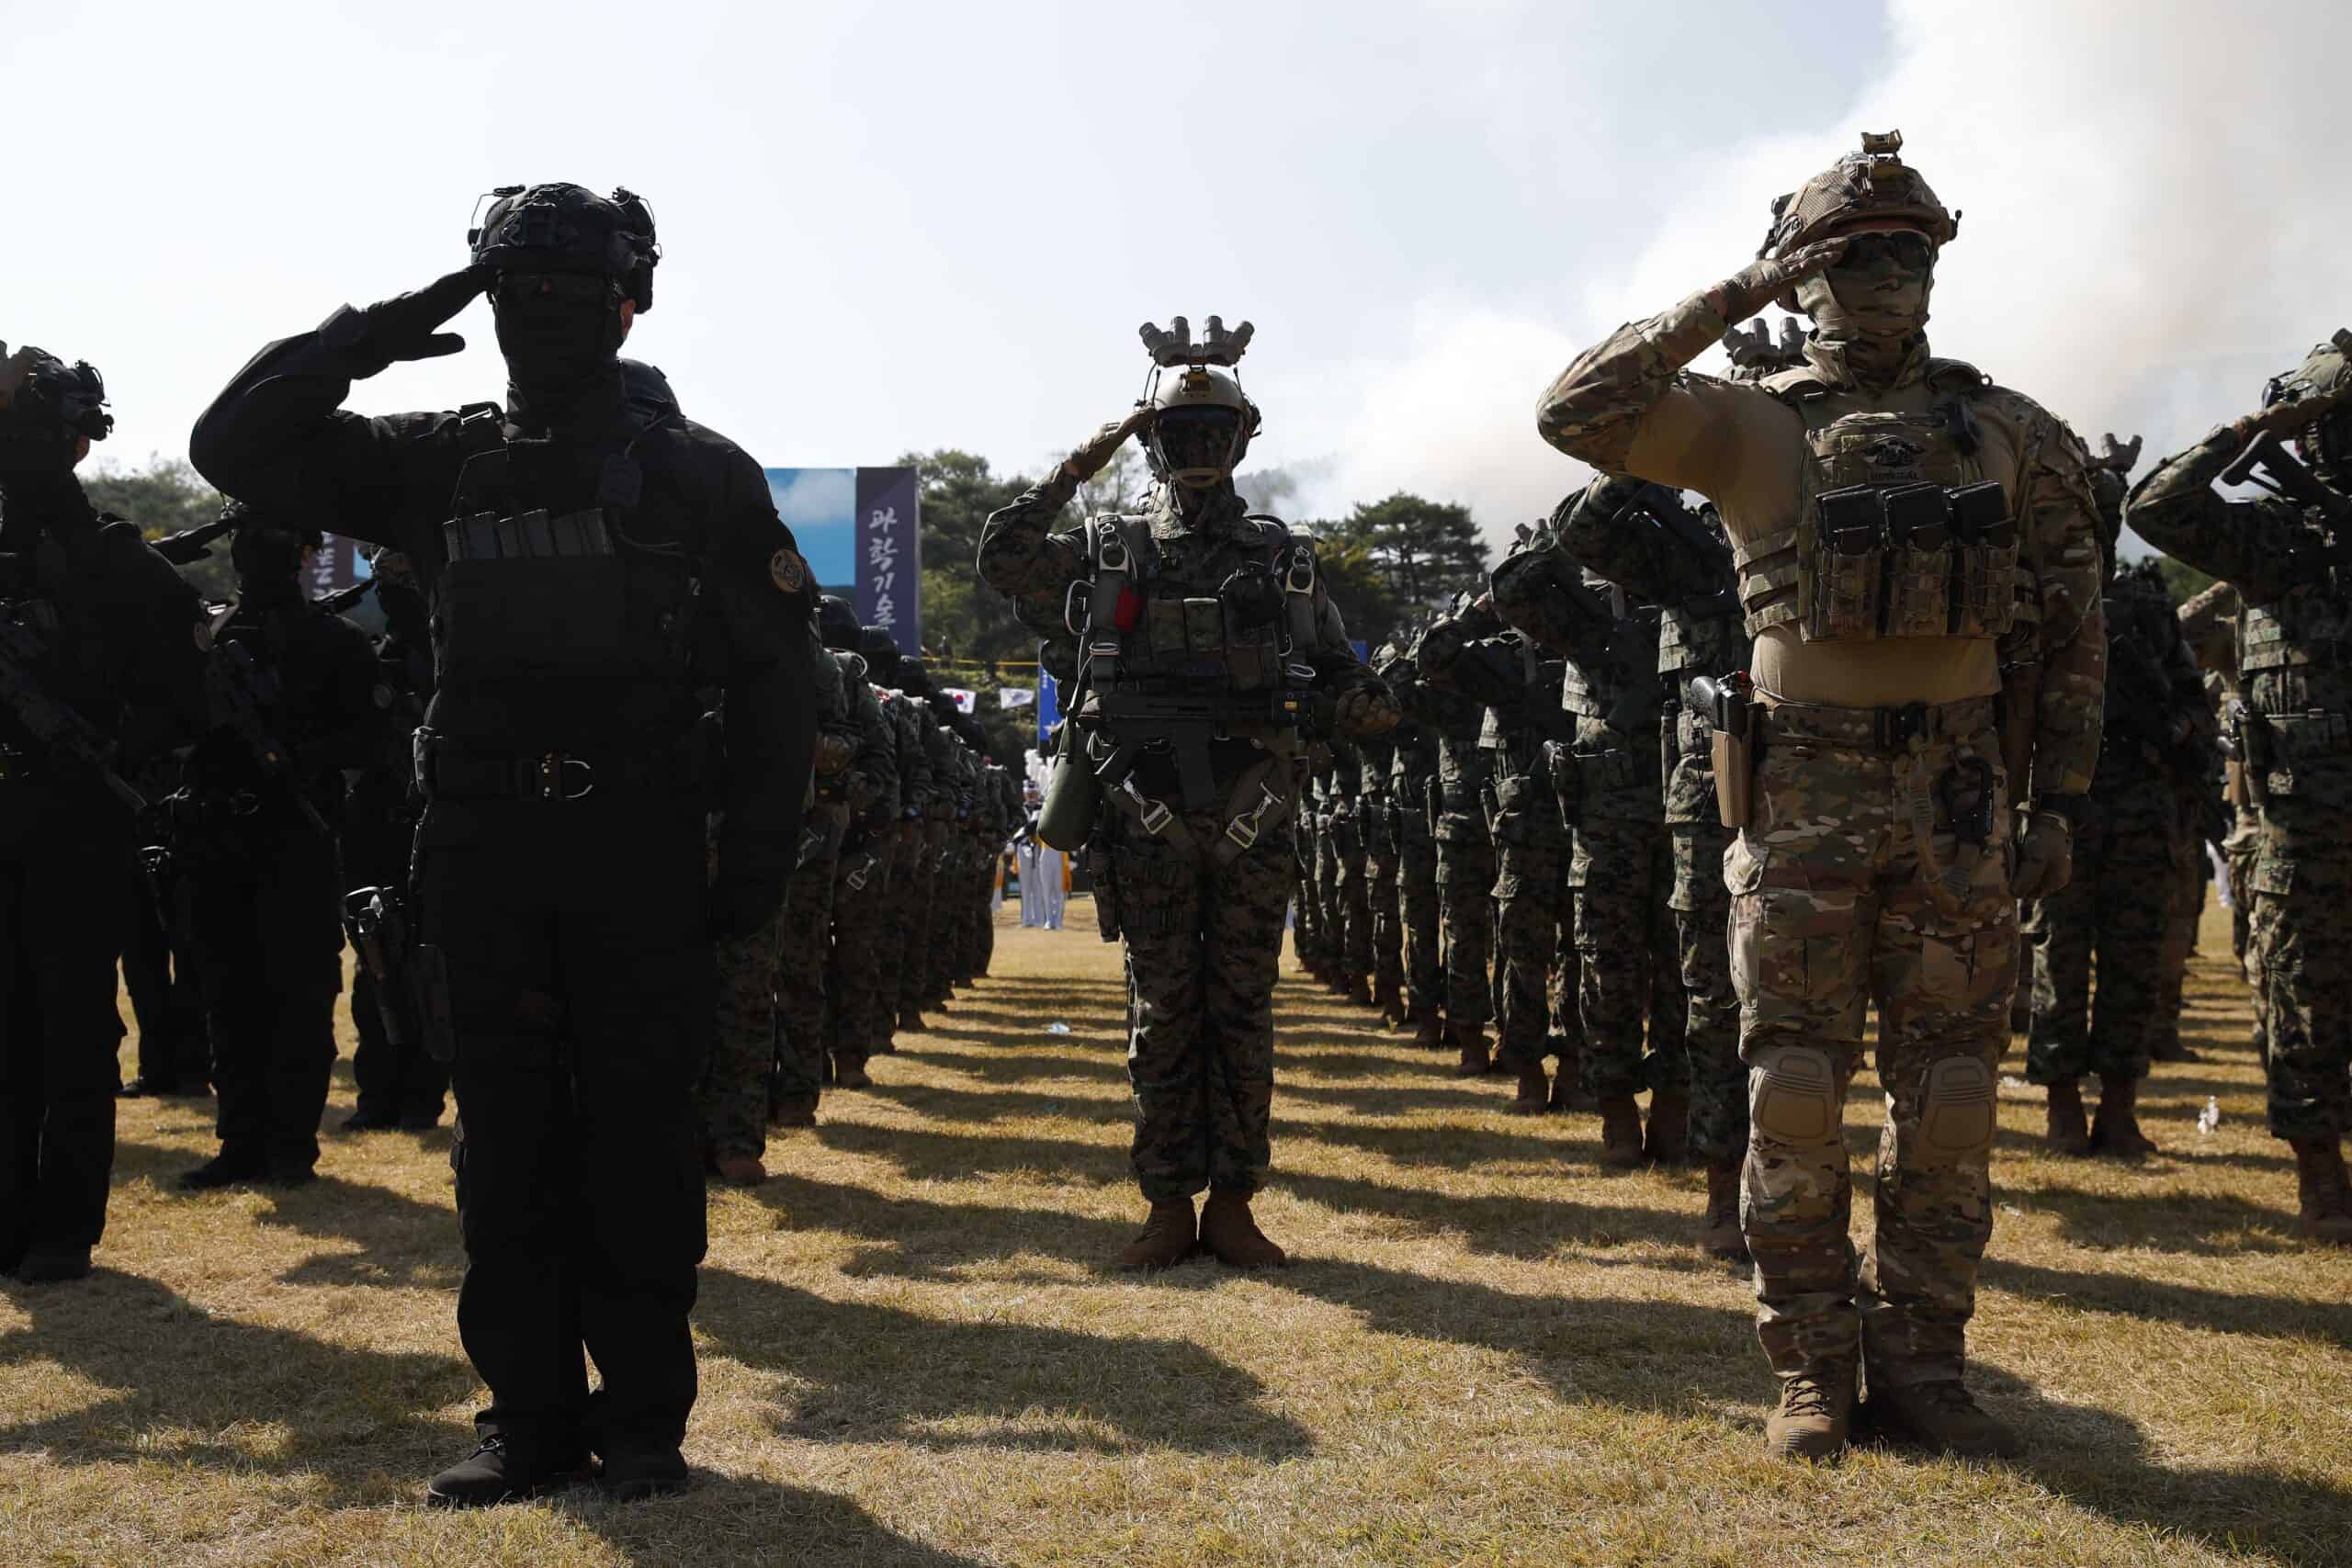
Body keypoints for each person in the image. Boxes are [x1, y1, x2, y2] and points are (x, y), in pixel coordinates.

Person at [188, 182, 818, 1504]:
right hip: (482, 847)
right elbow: (231, 446)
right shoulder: (437, 457)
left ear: (627, 300)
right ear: (483, 296)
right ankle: (525, 1418)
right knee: (505, 1139)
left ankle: (643, 1418)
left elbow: (776, 683)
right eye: (513, 287)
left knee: (640, 1135)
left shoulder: (701, 471)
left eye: (567, 288)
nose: (540, 312)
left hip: (641, 844)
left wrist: (755, 859)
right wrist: (362, 334)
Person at [1536, 131, 2106, 1459]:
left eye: (1904, 253)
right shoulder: (1753, 423)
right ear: (1806, 276)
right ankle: (1807, 1359)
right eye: (1849, 258)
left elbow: (2076, 632)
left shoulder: (2014, 434)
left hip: (1958, 800)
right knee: (1795, 1084)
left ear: (1936, 271)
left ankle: (1924, 1360)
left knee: (1953, 1093)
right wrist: (1738, 287)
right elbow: (1575, 409)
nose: (1879, 280)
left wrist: (2057, 799)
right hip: (1800, 792)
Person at [977, 318, 1396, 1269]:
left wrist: (1363, 708)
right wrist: (1103, 444)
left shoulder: (1283, 559)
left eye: (1215, 434)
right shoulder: (1108, 549)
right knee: (1162, 1014)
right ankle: (1168, 1202)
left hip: (1252, 813)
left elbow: (1335, 676)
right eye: (1178, 435)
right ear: (1156, 444)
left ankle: (1236, 1203)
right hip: (1142, 813)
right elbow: (1003, 554)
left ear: (1244, 440)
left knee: (1243, 1010)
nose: (1198, 451)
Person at [2126, 331, 2352, 1245]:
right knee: (2303, 990)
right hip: (2302, 818)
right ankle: (2320, 1174)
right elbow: (2157, 505)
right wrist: (2262, 421)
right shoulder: (2278, 539)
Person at [0, 344, 206, 1283]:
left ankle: (60, 1228)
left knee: (74, 1027)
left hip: (75, 820)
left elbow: (184, 700)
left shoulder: (114, 562)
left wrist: (107, 749)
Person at [1550, 478, 1754, 1255]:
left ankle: (1789, 1182)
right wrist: (1640, 459)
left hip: (1820, 771)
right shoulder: (1690, 548)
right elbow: (1579, 532)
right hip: (1701, 786)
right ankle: (1716, 1177)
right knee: (1701, 983)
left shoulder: (1810, 511)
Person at [169, 508, 387, 1190]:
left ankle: (291, 1144)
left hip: (297, 837)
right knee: (227, 995)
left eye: (271, 545)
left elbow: (370, 742)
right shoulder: (208, 639)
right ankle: (242, 1141)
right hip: (216, 836)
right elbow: (167, 723)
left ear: (300, 553)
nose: (255, 558)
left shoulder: (337, 642)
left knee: (296, 996)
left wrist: (295, 755)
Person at [340, 547, 445, 1132]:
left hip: (424, 824)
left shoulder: (449, 659)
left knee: (425, 965)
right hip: (380, 824)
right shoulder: (374, 657)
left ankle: (420, 1093)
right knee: (376, 966)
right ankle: (379, 1093)